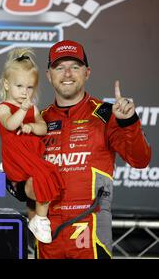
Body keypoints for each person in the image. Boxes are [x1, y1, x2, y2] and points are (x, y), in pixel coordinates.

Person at [38, 39, 151, 258]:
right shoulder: (39, 120)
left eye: (75, 67)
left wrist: (129, 122)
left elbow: (140, 160)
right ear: (49, 75)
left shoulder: (107, 114)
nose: (67, 73)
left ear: (87, 73)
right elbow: (20, 178)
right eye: (59, 67)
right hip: (47, 229)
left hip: (91, 226)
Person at [0, 48, 65, 243]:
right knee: (42, 175)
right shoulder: (3, 107)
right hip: (17, 160)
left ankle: (38, 219)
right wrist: (22, 111)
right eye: (19, 86)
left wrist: (32, 126)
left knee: (49, 174)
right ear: (7, 84)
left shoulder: (32, 108)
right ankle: (41, 219)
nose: (25, 93)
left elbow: (43, 129)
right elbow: (9, 124)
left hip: (33, 157)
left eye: (29, 88)